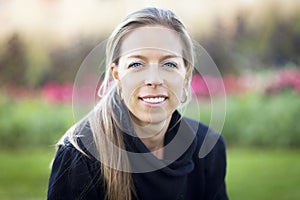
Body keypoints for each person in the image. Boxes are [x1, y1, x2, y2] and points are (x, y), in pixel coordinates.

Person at [47, 7, 228, 200]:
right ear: (117, 75)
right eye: (136, 64)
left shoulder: (209, 147)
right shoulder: (80, 154)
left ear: (185, 75)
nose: (154, 79)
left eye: (169, 64)